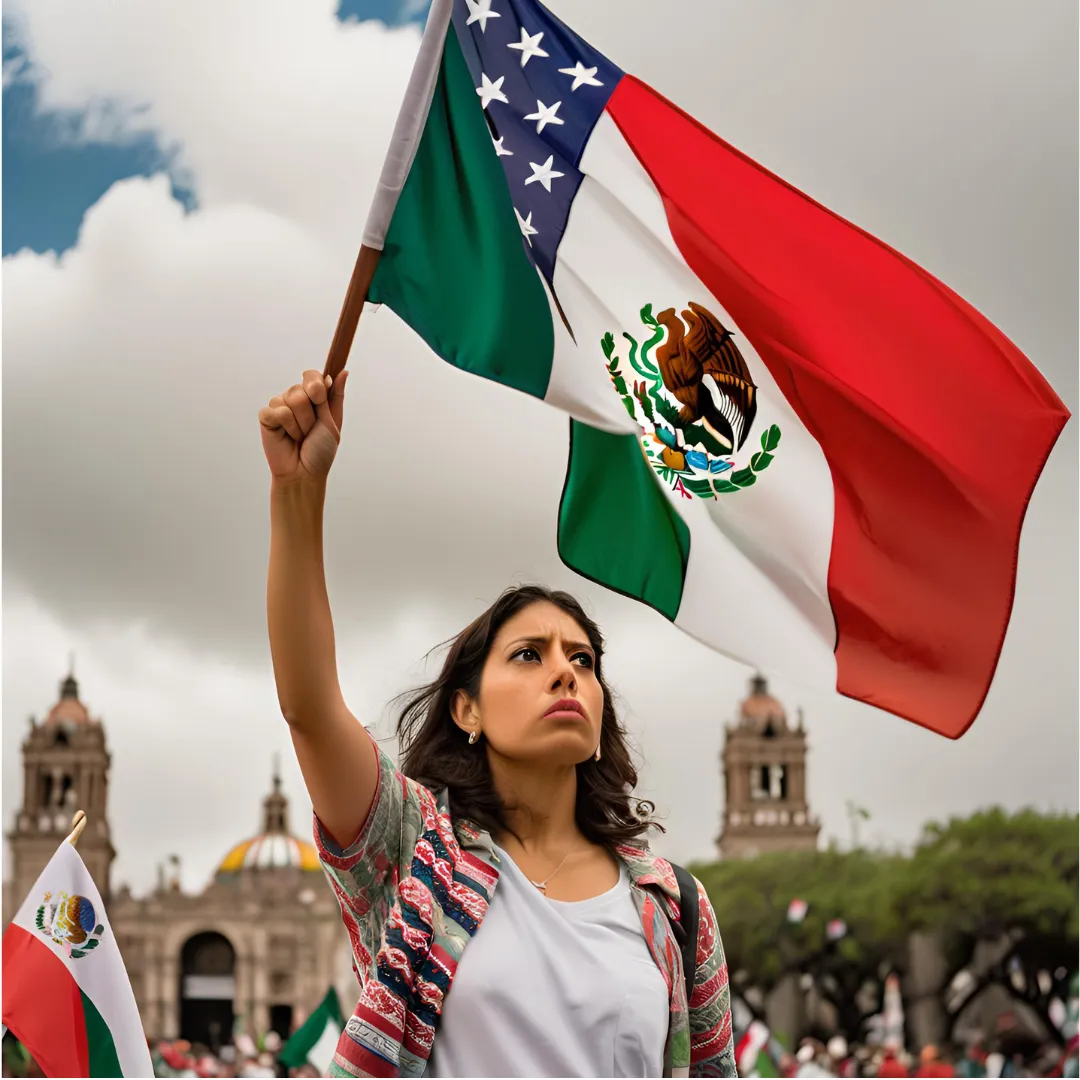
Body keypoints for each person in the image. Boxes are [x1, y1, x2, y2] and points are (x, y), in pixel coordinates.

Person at [259, 366, 737, 1079]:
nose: (565, 670)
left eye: (583, 658)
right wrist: (298, 492)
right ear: (467, 708)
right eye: (528, 654)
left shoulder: (675, 908)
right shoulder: (415, 851)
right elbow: (308, 708)